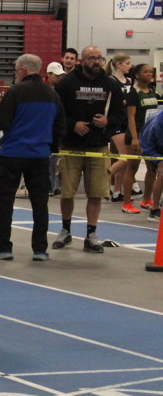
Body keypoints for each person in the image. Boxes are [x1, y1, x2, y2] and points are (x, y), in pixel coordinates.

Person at [0, 54, 65, 262]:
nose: (16, 74)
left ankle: (3, 247)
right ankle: (40, 249)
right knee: (40, 204)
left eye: (16, 70)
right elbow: (60, 126)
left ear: (22, 70)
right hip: (39, 156)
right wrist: (50, 147)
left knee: (4, 201)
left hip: (12, 153)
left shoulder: (15, 91)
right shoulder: (52, 94)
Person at [53, 46, 126, 253]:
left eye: (99, 58)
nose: (96, 62)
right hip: (71, 146)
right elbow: (56, 111)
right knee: (67, 192)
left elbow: (119, 113)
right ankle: (65, 231)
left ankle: (91, 235)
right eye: (92, 58)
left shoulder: (110, 84)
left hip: (98, 146)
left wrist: (107, 122)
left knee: (96, 193)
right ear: (82, 61)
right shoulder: (67, 83)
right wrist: (73, 124)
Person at [105, 53, 138, 211]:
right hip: (116, 122)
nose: (129, 66)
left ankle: (117, 191)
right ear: (118, 64)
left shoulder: (130, 81)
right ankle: (104, 177)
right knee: (125, 157)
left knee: (125, 158)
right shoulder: (111, 81)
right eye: (127, 63)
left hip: (127, 122)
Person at [127, 63, 160, 217]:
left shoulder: (152, 91)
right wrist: (135, 138)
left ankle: (146, 200)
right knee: (131, 169)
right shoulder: (133, 93)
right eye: (145, 72)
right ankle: (126, 203)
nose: (149, 74)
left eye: (150, 72)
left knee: (152, 169)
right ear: (137, 75)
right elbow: (131, 117)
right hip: (135, 135)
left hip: (149, 137)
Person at [44, 62, 67, 195]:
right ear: (49, 74)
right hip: (46, 130)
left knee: (55, 161)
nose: (59, 78)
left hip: (57, 130)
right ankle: (49, 186)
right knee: (48, 161)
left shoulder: (61, 89)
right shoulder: (43, 89)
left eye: (60, 75)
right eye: (56, 75)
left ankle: (54, 186)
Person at [138, 112, 163, 221]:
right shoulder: (157, 124)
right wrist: (159, 162)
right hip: (152, 148)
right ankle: (154, 211)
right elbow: (147, 149)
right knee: (160, 174)